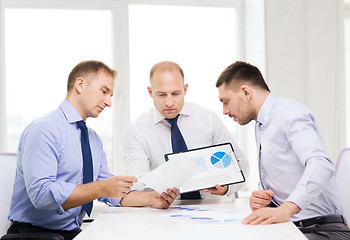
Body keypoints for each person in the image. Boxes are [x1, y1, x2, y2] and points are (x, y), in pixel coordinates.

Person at [6, 60, 177, 240]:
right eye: (104, 91)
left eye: (110, 95)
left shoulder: (92, 139)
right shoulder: (44, 130)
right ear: (80, 85)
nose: (109, 102)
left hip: (71, 233)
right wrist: (101, 188)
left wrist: (151, 198)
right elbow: (41, 195)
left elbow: (110, 191)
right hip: (32, 235)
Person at [216, 61, 350, 239]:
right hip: (290, 227)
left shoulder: (289, 113)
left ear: (246, 92)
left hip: (321, 230)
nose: (224, 111)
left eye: (226, 102)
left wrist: (287, 209)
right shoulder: (261, 124)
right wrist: (261, 196)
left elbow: (321, 164)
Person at [122, 61, 249, 206]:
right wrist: (157, 193)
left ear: (185, 89)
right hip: (165, 214)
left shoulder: (207, 119)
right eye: (162, 94)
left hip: (213, 211)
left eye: (175, 93)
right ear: (150, 92)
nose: (169, 102)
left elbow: (241, 164)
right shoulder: (136, 130)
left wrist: (227, 187)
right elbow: (138, 184)